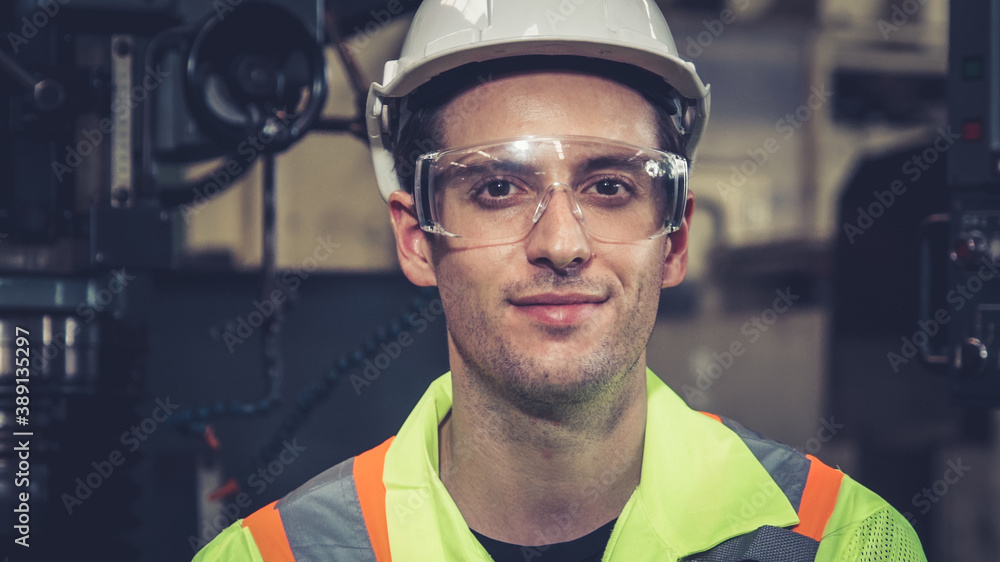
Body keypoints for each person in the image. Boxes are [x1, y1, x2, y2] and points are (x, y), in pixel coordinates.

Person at [194, 0, 927, 560]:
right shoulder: (279, 555)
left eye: (609, 187)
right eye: (496, 189)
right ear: (416, 239)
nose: (561, 244)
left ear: (675, 239)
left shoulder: (841, 542)